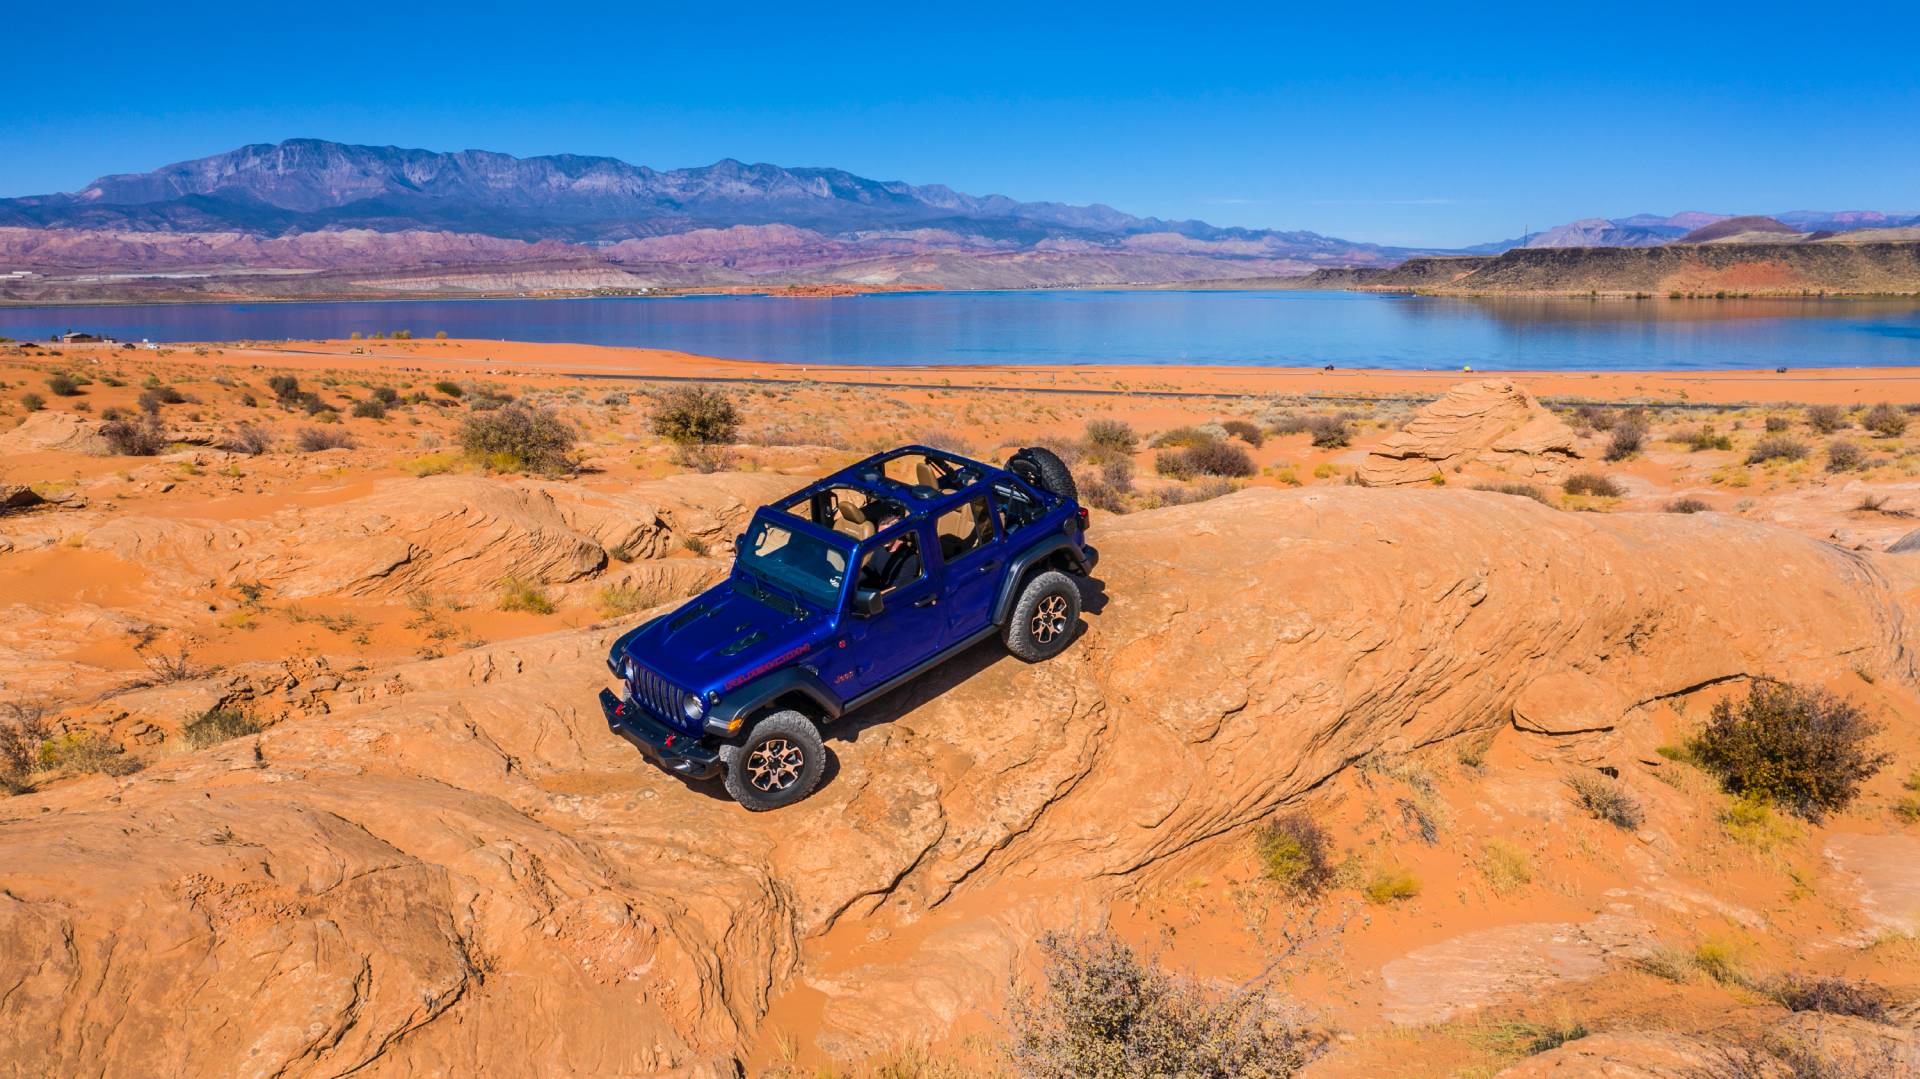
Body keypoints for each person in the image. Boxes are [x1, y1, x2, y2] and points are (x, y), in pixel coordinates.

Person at [860, 514, 921, 591]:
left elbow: (898, 589)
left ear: (897, 533)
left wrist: (876, 596)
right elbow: (869, 569)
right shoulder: (880, 549)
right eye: (880, 534)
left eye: (887, 534)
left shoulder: (910, 559)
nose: (883, 538)